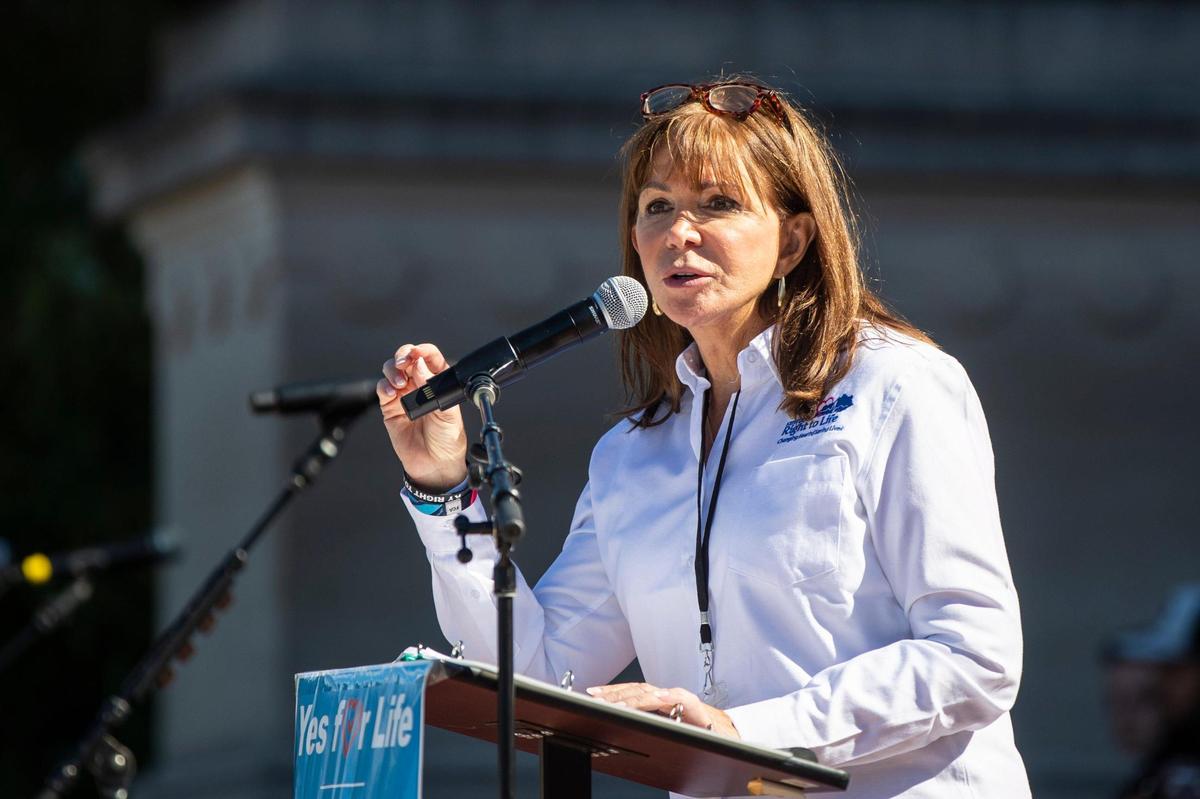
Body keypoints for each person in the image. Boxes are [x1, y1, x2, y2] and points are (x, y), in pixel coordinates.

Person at [377, 78, 1030, 798]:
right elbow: (539, 674)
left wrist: (747, 733)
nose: (678, 233)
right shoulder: (631, 455)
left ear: (793, 240)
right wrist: (444, 488)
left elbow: (974, 653)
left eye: (717, 203)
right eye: (657, 207)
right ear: (635, 243)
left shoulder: (896, 386)